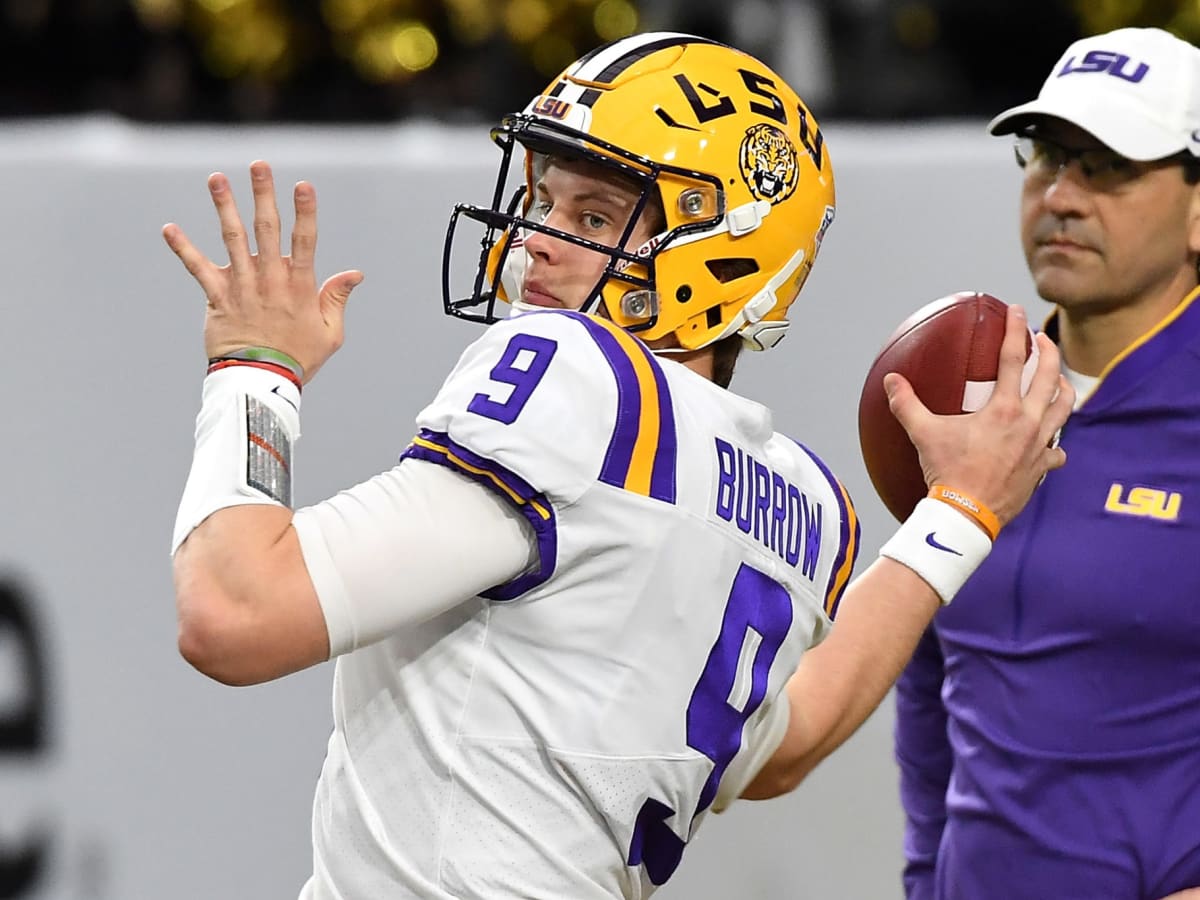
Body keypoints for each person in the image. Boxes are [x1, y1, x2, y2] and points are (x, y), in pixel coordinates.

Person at [164, 33, 1070, 899]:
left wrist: (256, 368)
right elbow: (785, 745)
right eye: (545, 202)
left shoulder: (579, 376)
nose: (539, 240)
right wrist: (957, 517)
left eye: (594, 215)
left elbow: (234, 613)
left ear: (726, 250)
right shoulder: (808, 501)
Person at [894, 26, 1200, 900]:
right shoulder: (959, 397)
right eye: (1049, 157)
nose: (1062, 195)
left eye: (1107, 167)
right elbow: (929, 688)